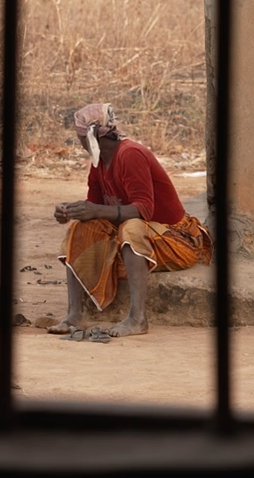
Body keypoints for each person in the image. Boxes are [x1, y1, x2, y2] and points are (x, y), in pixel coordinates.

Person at [48, 103, 212, 338]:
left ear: (90, 136)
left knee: (132, 228)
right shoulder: (99, 162)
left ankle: (138, 318)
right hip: (149, 238)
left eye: (79, 136)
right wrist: (71, 212)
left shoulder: (130, 154)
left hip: (177, 241)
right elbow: (96, 210)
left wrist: (95, 210)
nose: (79, 142)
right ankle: (75, 314)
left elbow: (143, 209)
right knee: (81, 228)